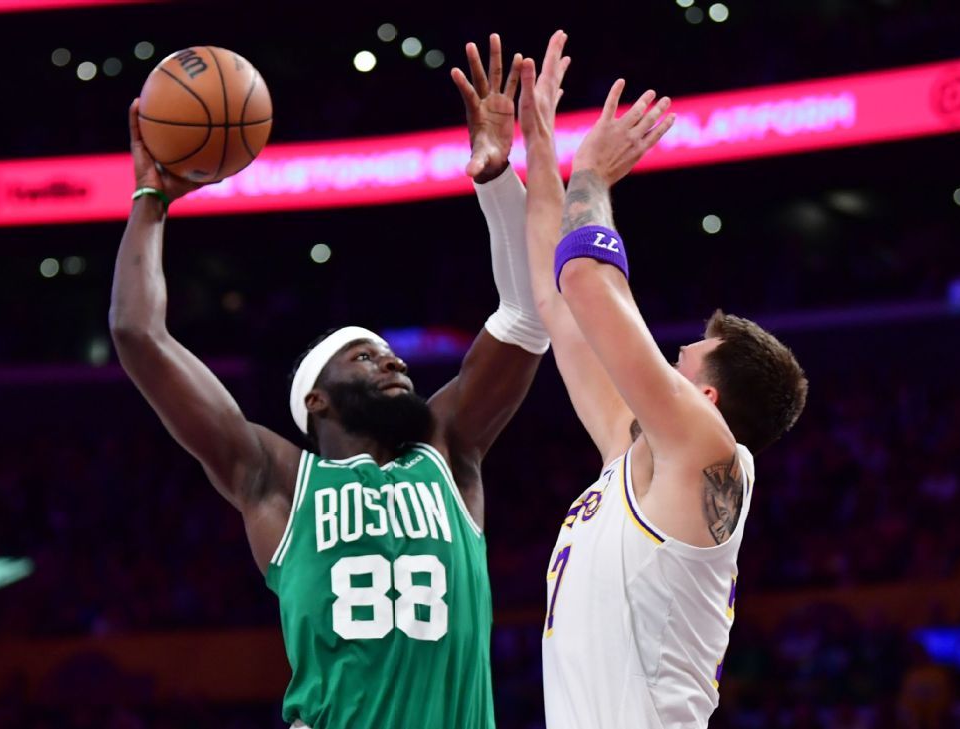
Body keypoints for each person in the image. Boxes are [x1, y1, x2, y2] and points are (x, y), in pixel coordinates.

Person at [109, 36, 545, 729]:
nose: (393, 362)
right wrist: (150, 200)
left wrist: (496, 178)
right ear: (316, 397)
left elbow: (527, 316)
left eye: (390, 355)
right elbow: (139, 335)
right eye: (365, 358)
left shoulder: (447, 451)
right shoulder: (277, 481)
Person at [518, 33, 809, 728]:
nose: (670, 354)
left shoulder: (710, 451)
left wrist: (590, 172)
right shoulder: (634, 456)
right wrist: (538, 146)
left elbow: (585, 280)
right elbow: (560, 304)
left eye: (687, 359)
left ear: (707, 401)